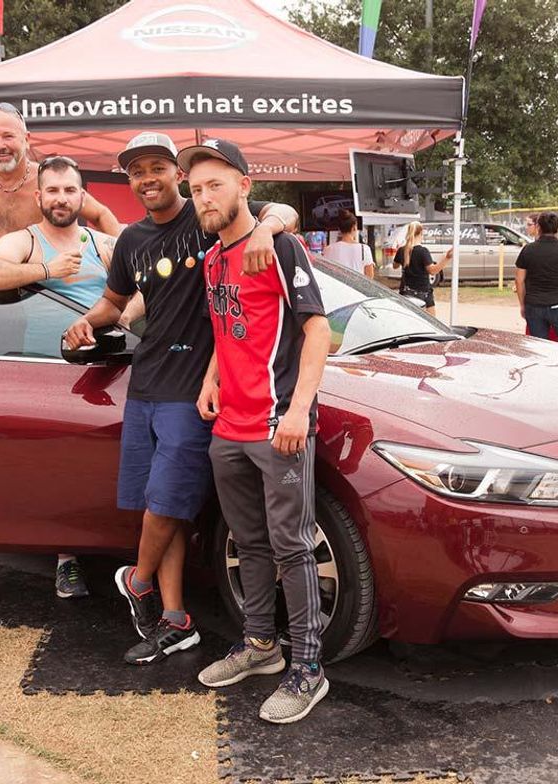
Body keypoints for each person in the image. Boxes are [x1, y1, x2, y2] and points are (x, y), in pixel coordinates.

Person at [63, 132, 298, 666]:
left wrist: (268, 227)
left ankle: (137, 579)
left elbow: (280, 207)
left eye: (156, 168)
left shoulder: (208, 214)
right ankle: (175, 620)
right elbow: (113, 301)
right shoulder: (131, 240)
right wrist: (84, 321)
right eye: (136, 171)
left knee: (167, 504)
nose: (147, 179)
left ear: (177, 175)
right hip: (144, 386)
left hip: (194, 391)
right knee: (158, 509)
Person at [181, 140, 332, 725]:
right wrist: (211, 378)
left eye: (215, 184)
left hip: (278, 427)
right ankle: (262, 648)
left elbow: (317, 331)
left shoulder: (281, 245)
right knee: (251, 544)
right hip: (229, 427)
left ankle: (310, 669)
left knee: (294, 546)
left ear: (245, 185)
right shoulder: (213, 257)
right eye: (195, 189)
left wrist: (298, 411)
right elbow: (229, 329)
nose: (204, 197)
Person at [0, 156, 121, 599]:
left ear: (82, 196)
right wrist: (47, 271)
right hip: (49, 373)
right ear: (39, 196)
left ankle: (118, 547)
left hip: (109, 369)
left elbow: (141, 287)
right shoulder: (27, 242)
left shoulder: (103, 244)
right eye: (52, 191)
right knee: (60, 469)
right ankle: (65, 557)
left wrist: (113, 320)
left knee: (108, 468)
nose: (61, 198)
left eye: (69, 190)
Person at [0, 103, 120, 262]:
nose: (0, 145)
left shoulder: (47, 178)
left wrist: (122, 261)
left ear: (26, 139)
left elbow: (100, 214)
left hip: (35, 295)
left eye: (8, 136)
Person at [514, 212, 558, 349]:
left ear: (538, 227)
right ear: (557, 228)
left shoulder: (528, 250)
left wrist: (522, 304)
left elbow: (519, 280)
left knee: (539, 349)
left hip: (534, 305)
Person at [392, 221, 451, 316]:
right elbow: (432, 271)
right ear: (421, 233)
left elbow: (395, 266)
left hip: (406, 292)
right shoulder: (423, 251)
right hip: (423, 293)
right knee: (432, 324)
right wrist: (447, 258)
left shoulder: (402, 250)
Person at [322, 210, 374, 278]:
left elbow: (326, 273)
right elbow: (370, 276)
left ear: (339, 229)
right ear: (354, 228)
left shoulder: (328, 249)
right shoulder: (364, 249)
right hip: (356, 287)